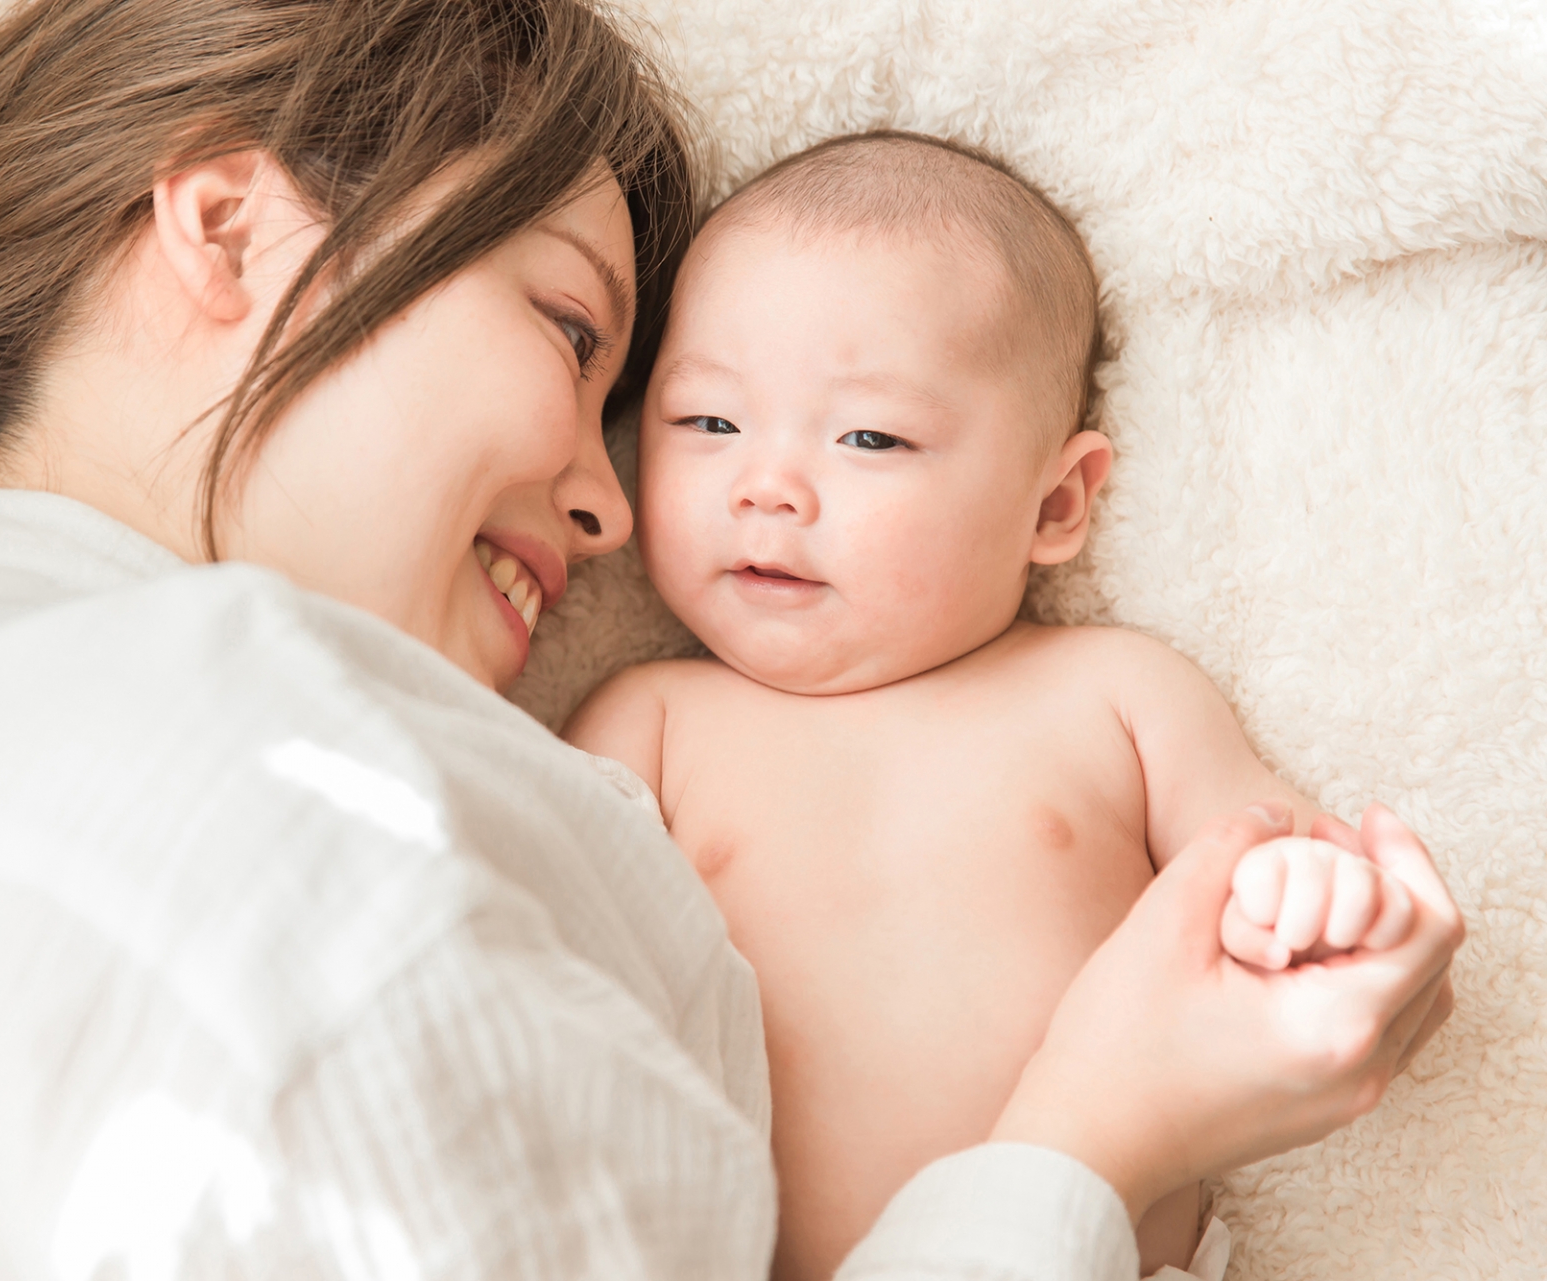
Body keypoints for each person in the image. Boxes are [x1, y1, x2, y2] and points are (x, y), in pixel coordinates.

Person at [0, 1, 1461, 1277]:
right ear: (227, 227)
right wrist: (1086, 1145)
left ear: (1063, 498)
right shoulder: (259, 768)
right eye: (581, 339)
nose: (614, 509)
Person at [563, 130, 1427, 1280]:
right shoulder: (653, 726)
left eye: (870, 436)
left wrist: (1312, 895)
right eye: (709, 422)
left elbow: (1268, 861)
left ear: (1056, 505)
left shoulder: (1116, 696)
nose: (765, 486)